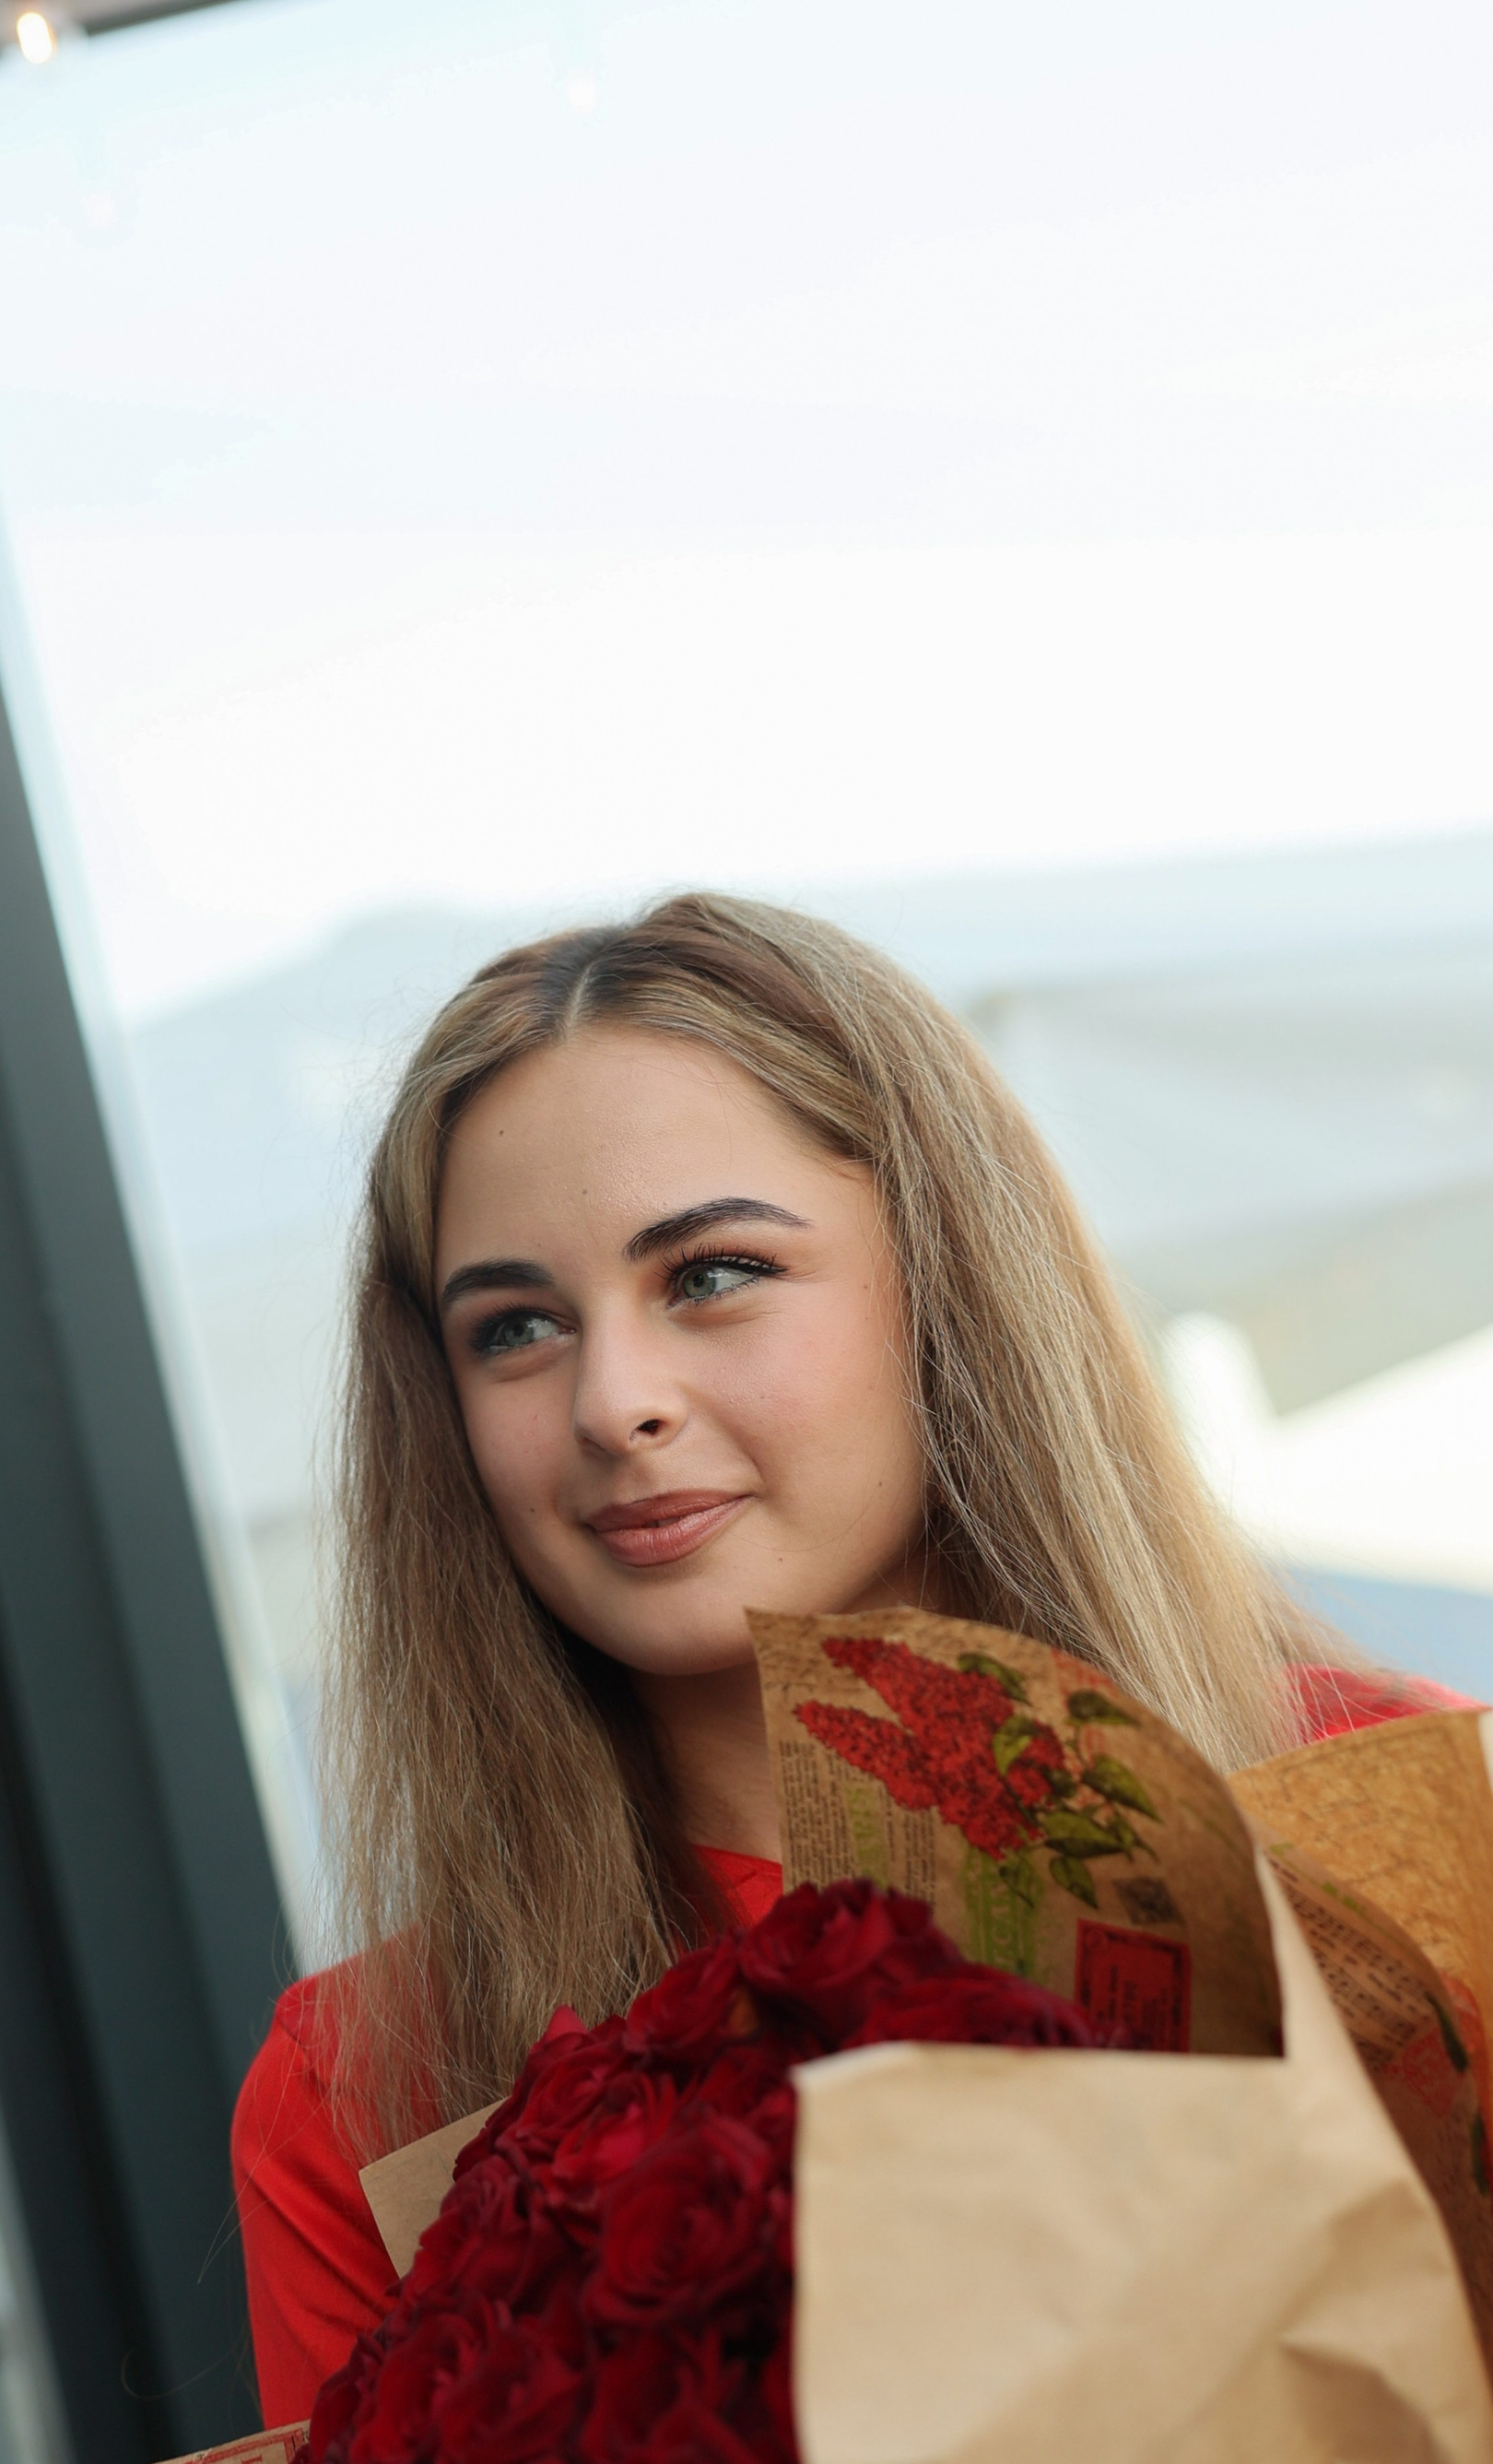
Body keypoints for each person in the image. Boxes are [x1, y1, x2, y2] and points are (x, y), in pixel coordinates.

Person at [232, 892, 1464, 2426]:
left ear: (946, 1278)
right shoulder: (360, 2087)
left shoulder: (1396, 1815)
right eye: (516, 1329)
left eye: (711, 1274)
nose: (613, 1402)